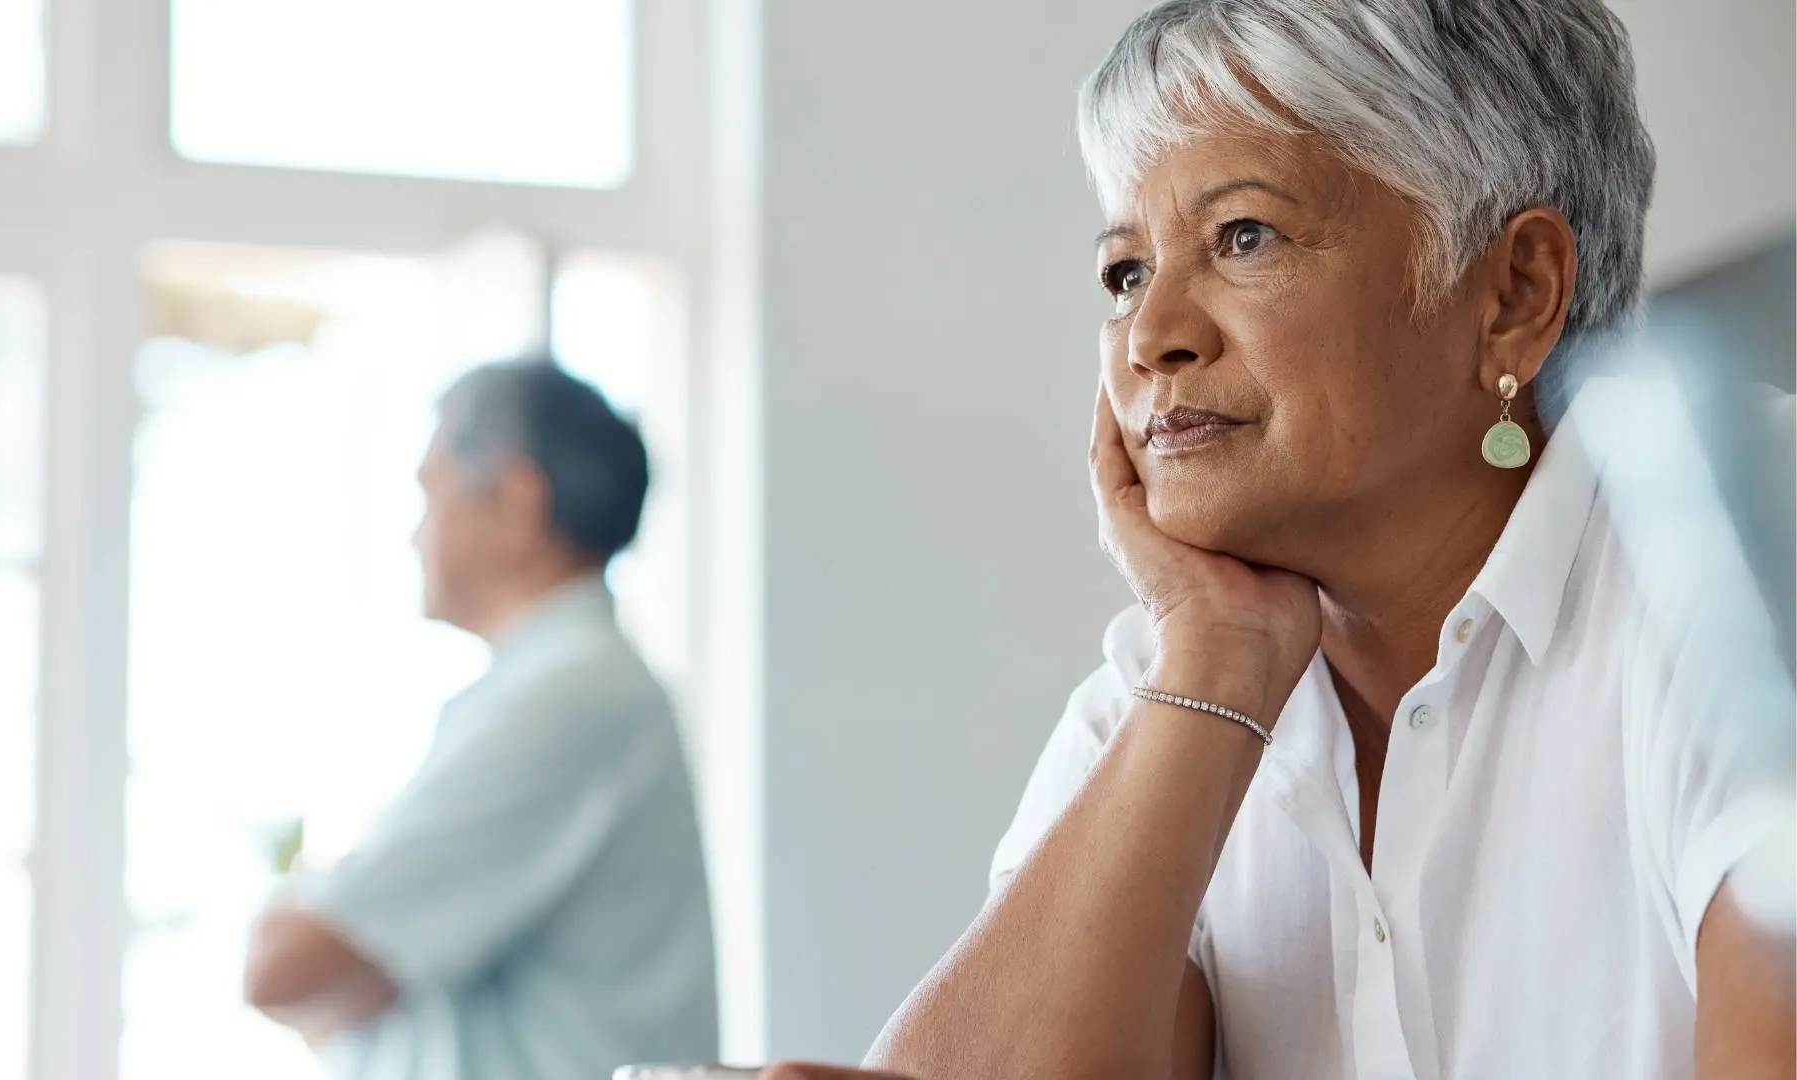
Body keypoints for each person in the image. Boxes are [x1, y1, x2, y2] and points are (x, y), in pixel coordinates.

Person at [769, 0, 1796, 1077]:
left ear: (1513, 292)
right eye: (1125, 273)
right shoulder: (1164, 684)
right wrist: (1216, 655)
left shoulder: (1746, 543)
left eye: (1242, 237)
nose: (1153, 337)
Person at [243, 358, 719, 1079]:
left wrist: (334, 920)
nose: (414, 535)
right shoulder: (554, 687)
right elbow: (332, 978)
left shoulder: (569, 697)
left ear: (516, 503)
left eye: (429, 493)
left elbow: (283, 969)